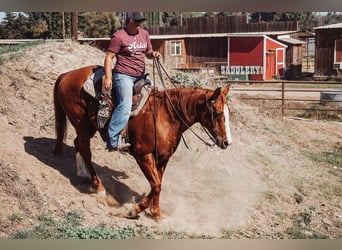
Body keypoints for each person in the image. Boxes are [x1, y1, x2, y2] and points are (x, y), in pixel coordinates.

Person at [102, 12, 161, 151]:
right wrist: (108, 77)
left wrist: (153, 54)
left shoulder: (144, 34)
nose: (139, 23)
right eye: (137, 21)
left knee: (156, 98)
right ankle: (113, 139)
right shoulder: (119, 36)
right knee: (126, 104)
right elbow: (109, 57)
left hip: (140, 76)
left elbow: (148, 52)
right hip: (123, 76)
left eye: (141, 20)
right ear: (129, 20)